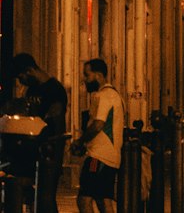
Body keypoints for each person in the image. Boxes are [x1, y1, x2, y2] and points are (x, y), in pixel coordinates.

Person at [8, 51, 68, 213]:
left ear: (29, 71)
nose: (21, 82)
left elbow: (56, 119)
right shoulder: (30, 91)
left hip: (49, 149)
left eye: (21, 77)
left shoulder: (55, 90)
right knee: (32, 195)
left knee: (46, 196)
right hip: (32, 149)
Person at [71, 58, 124, 213]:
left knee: (84, 198)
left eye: (87, 75)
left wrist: (80, 141)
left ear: (99, 75)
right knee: (103, 199)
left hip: (98, 157)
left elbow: (98, 124)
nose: (84, 79)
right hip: (110, 157)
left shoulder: (104, 96)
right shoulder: (115, 95)